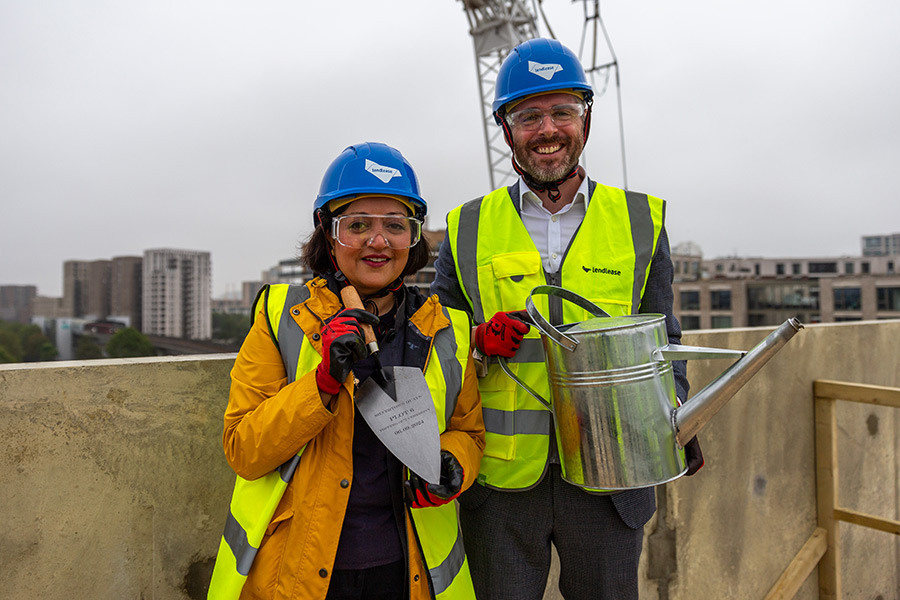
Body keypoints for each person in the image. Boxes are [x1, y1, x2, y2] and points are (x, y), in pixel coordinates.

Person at [430, 38, 702, 600]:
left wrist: (676, 417)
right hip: (502, 486)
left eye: (562, 111)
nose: (548, 129)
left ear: (586, 119)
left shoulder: (640, 221)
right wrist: (476, 346)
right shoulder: (465, 228)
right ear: (507, 129)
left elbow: (663, 341)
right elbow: (437, 348)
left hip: (611, 476)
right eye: (529, 115)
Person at [208, 142, 485, 600]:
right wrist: (321, 384)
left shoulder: (445, 329)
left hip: (408, 574)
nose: (378, 242)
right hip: (302, 572)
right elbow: (244, 448)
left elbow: (468, 433)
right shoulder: (282, 316)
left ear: (413, 238)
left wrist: (453, 463)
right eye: (357, 226)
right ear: (328, 232)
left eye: (396, 227)